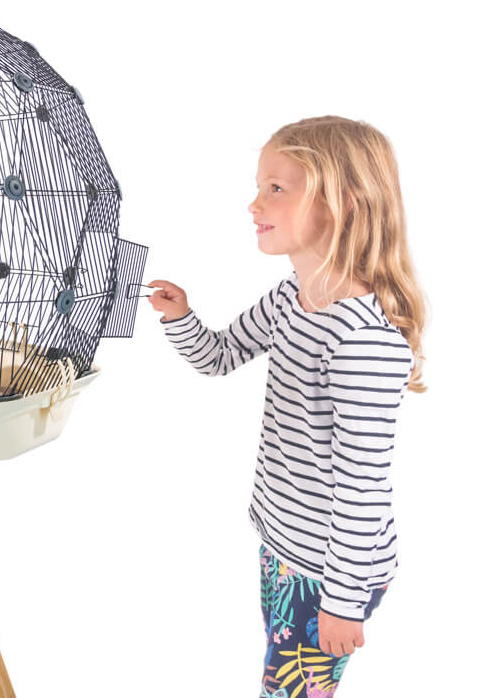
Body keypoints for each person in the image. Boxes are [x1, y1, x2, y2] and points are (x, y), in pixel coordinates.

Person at [147, 116, 427, 696]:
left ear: (345, 201)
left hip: (330, 571)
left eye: (276, 188)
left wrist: (343, 601)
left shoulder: (363, 341)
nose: (254, 204)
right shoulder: (291, 299)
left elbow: (362, 485)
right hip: (283, 543)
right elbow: (219, 356)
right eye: (260, 186)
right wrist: (180, 317)